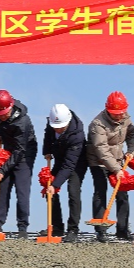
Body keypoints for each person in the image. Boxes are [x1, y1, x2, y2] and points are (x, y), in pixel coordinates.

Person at [86, 91, 134, 242]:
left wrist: (132, 151)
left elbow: (132, 137)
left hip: (118, 159)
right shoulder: (97, 124)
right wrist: (116, 169)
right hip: (98, 161)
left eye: (121, 113)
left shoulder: (126, 118)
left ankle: (122, 230)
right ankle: (101, 230)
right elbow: (101, 149)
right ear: (108, 110)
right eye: (115, 113)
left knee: (122, 193)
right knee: (100, 191)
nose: (119, 116)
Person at [0, 89, 37, 237]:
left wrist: (2, 169)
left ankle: (22, 227)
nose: (1, 117)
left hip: (24, 152)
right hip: (8, 149)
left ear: (10, 107)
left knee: (21, 190)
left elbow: (19, 151)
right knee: (3, 187)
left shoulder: (22, 122)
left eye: (4, 114)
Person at [42, 104, 87, 242]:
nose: (58, 129)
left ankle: (73, 229)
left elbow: (69, 166)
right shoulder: (52, 123)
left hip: (76, 163)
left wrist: (55, 185)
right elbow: (48, 136)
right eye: (55, 127)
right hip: (60, 158)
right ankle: (56, 226)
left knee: (73, 191)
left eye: (61, 127)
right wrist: (47, 151)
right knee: (48, 189)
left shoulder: (77, 135)